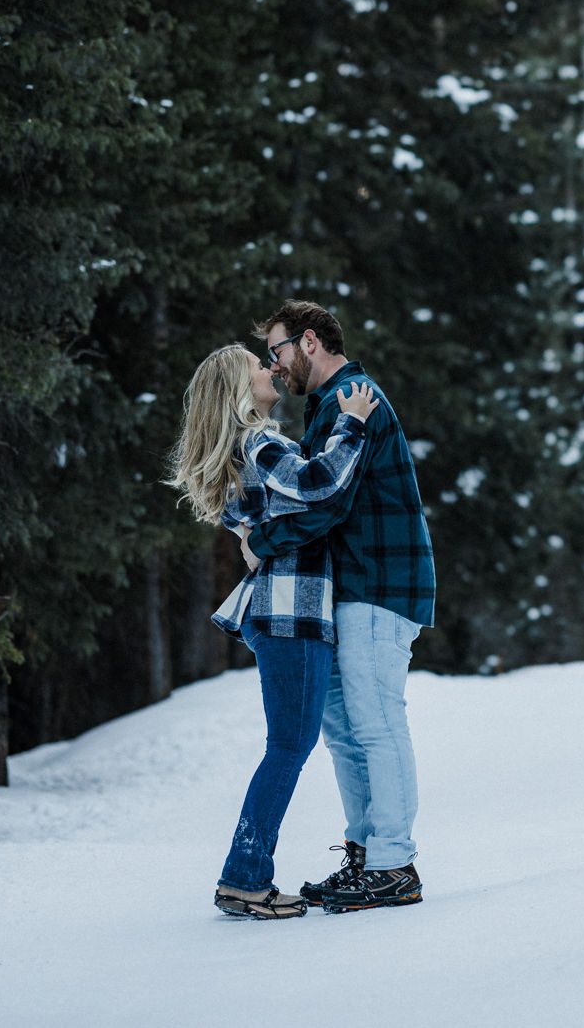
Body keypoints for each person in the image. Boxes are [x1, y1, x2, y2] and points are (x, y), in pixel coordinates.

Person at [165, 343, 378, 919]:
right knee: (288, 746)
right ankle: (245, 878)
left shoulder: (242, 450)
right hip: (291, 611)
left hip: (279, 610)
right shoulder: (258, 442)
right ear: (240, 388)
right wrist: (353, 425)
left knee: (288, 744)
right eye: (260, 366)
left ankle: (245, 875)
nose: (271, 370)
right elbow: (319, 483)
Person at [248, 300, 436, 914]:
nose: (275, 368)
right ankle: (366, 855)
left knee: (376, 723)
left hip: (379, 584)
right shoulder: (333, 405)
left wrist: (261, 542)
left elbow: (325, 502)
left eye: (277, 351)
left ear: (307, 342)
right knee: (348, 733)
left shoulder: (354, 395)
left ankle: (393, 864)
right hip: (352, 586)